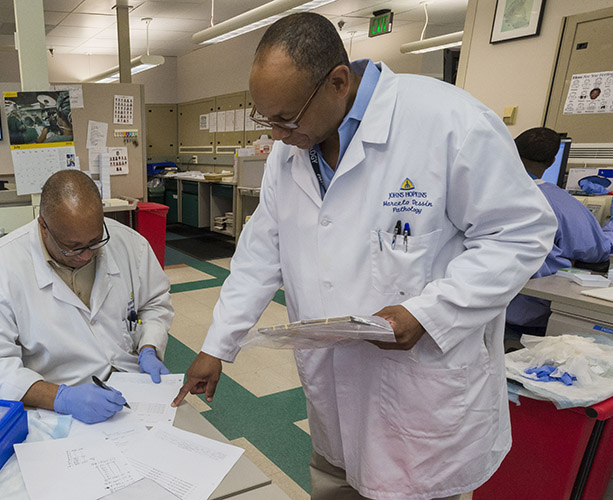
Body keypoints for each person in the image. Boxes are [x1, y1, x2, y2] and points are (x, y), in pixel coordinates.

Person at [171, 13, 556, 500]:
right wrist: (216, 346)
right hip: (334, 394)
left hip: (419, 401)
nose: (277, 133)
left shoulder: (449, 123)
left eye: (286, 117)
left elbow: (521, 232)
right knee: (335, 478)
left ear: (337, 81)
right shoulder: (290, 153)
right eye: (265, 118)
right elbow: (259, 254)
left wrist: (428, 312)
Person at [0, 170, 174, 424]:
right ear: (43, 227)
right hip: (54, 407)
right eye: (72, 247)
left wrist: (149, 346)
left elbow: (154, 303)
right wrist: (61, 397)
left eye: (95, 242)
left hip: (134, 391)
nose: (86, 256)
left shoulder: (130, 245)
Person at [506, 127, 613, 335]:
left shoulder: (482, 189)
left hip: (484, 305)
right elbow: (599, 251)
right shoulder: (558, 202)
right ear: (552, 162)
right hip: (529, 314)